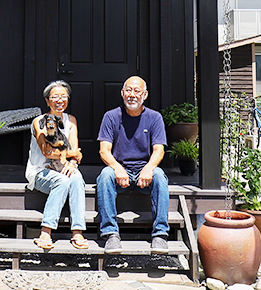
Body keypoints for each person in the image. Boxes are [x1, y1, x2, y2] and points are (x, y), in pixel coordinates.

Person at [96, 76, 169, 254]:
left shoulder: (154, 117)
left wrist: (149, 169)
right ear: (122, 93)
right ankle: (111, 233)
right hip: (120, 172)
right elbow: (104, 150)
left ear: (145, 95)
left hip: (145, 173)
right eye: (128, 90)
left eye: (137, 91)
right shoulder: (111, 116)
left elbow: (159, 150)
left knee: (160, 175)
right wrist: (117, 168)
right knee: (105, 175)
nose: (132, 95)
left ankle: (160, 234)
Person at [26, 80, 88, 250]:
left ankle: (77, 231)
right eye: (55, 97)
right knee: (62, 181)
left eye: (63, 97)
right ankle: (46, 231)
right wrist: (73, 154)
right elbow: (47, 152)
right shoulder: (39, 121)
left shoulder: (71, 120)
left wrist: (73, 163)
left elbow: (74, 150)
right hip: (40, 171)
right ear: (47, 101)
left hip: (63, 167)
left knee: (76, 178)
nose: (60, 100)